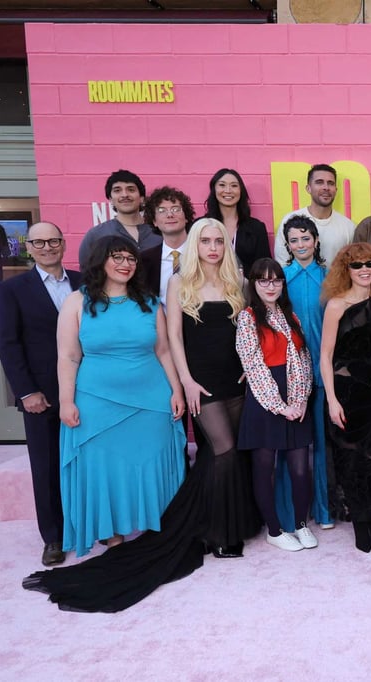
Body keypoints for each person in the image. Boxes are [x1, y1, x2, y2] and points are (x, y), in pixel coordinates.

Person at [55, 235, 186, 556]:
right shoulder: (76, 302)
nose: (125, 264)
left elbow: (164, 351)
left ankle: (153, 525)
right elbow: (68, 356)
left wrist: (177, 391)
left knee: (150, 461)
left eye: (131, 259)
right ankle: (110, 532)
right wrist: (66, 400)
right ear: (100, 260)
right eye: (118, 257)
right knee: (104, 467)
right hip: (95, 401)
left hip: (151, 400)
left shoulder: (151, 301)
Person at [166, 218, 261, 558]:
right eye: (205, 241)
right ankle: (221, 532)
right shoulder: (179, 283)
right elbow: (174, 337)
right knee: (224, 449)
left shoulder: (239, 281)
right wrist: (185, 381)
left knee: (220, 454)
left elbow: (253, 330)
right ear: (195, 244)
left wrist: (251, 368)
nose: (212, 247)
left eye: (218, 241)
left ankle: (214, 520)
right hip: (201, 383)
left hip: (235, 379)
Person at [0, 222, 81, 565]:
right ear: (29, 247)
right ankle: (54, 537)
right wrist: (26, 391)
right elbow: (8, 344)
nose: (47, 247)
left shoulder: (83, 283)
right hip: (41, 394)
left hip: (85, 390)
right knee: (46, 466)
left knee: (84, 462)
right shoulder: (13, 289)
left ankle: (89, 525)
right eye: (39, 242)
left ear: (63, 244)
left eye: (53, 241)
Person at [320, 243, 371, 552]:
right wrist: (331, 400)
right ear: (346, 270)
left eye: (370, 263)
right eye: (356, 265)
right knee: (350, 461)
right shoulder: (336, 305)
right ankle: (360, 527)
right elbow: (325, 356)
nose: (364, 269)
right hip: (346, 390)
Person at [235, 258, 315, 552]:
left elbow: (304, 359)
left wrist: (301, 398)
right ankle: (274, 529)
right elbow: (253, 365)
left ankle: (301, 524)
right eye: (264, 280)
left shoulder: (290, 315)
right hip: (265, 398)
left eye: (276, 280)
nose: (271, 286)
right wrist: (280, 406)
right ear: (254, 284)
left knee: (300, 468)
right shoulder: (247, 318)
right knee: (265, 467)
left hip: (295, 394)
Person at [274, 215, 331, 532]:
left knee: (322, 446)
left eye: (305, 238)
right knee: (290, 446)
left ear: (316, 240)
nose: (300, 245)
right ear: (288, 245)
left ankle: (323, 511)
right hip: (289, 374)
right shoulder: (280, 280)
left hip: (324, 373)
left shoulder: (331, 277)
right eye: (294, 241)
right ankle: (289, 513)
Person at [274, 164, 355, 267]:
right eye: (319, 182)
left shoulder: (348, 227)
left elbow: (352, 267)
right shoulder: (290, 221)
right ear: (308, 188)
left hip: (336, 283)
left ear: (336, 189)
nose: (326, 187)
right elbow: (283, 264)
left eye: (330, 183)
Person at [78, 170, 161, 266]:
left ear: (141, 197)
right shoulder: (96, 235)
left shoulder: (159, 231)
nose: (125, 195)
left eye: (131, 190)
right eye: (117, 190)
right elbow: (87, 274)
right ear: (110, 199)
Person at [203, 168, 271, 276]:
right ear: (214, 190)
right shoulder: (201, 226)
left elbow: (264, 268)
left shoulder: (257, 227)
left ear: (241, 191)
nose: (228, 190)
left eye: (234, 185)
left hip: (246, 290)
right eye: (222, 185)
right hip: (209, 289)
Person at [141, 186, 196, 303]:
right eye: (161, 211)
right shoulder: (144, 261)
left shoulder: (203, 254)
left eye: (176, 209)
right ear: (154, 221)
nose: (170, 215)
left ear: (186, 217)